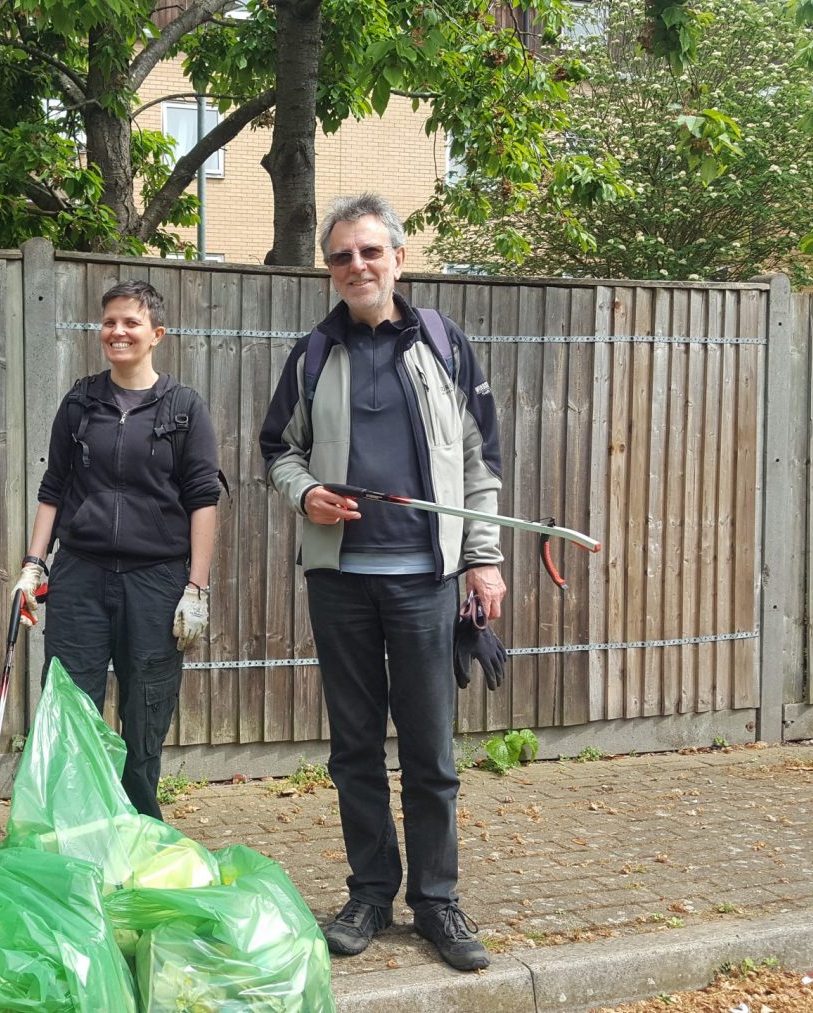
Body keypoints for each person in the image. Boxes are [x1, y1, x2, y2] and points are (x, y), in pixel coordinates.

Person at [258, 193, 506, 972]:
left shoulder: (444, 345)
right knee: (355, 747)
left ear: (399, 258)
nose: (356, 266)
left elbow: (479, 462)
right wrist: (306, 494)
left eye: (370, 252)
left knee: (431, 750)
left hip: (425, 583)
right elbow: (279, 450)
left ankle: (437, 900)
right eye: (341, 256)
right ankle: (370, 891)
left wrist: (484, 556)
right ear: (329, 269)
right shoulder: (312, 353)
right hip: (340, 582)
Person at [12, 280, 221, 821]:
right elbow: (53, 488)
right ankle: (66, 828)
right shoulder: (81, 402)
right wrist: (33, 566)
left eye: (130, 323)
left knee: (146, 708)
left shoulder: (184, 409)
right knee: (68, 705)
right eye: (109, 322)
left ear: (157, 334)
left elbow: (203, 500)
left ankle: (139, 831)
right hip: (80, 575)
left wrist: (196, 588)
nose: (117, 332)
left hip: (156, 582)